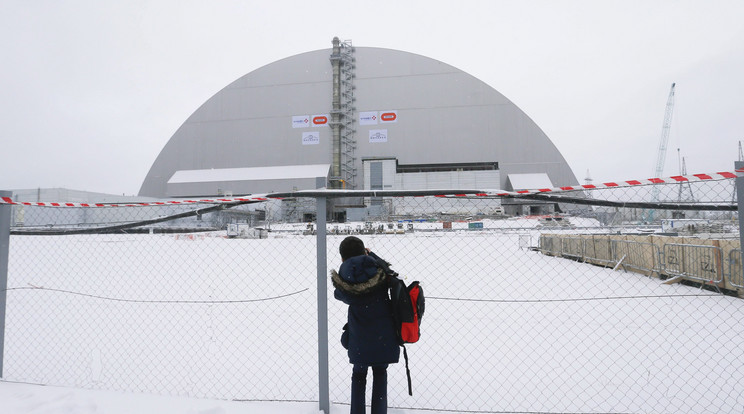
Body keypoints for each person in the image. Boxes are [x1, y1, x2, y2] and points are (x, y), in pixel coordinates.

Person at [331, 236, 400, 414]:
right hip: (384, 334)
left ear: (342, 258)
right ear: (364, 252)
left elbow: (338, 294)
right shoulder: (379, 270)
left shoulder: (346, 278)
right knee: (380, 373)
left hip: (359, 337)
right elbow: (389, 270)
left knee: (359, 375)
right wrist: (372, 256)